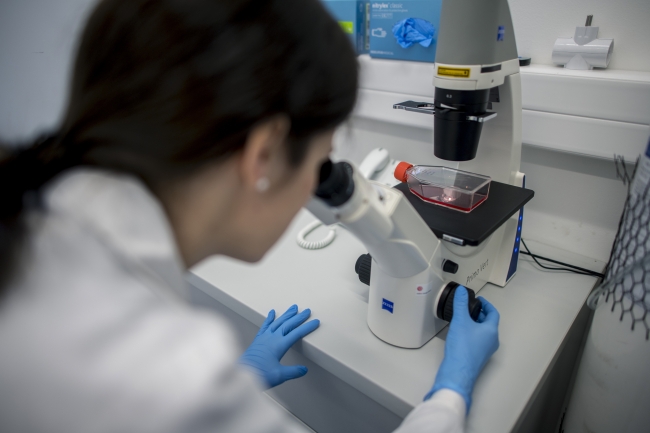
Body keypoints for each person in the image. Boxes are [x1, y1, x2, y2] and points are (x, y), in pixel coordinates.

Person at [0, 0, 500, 431]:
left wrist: (237, 380)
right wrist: (450, 391)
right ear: (264, 155)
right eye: (322, 162)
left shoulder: (43, 214)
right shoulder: (166, 378)